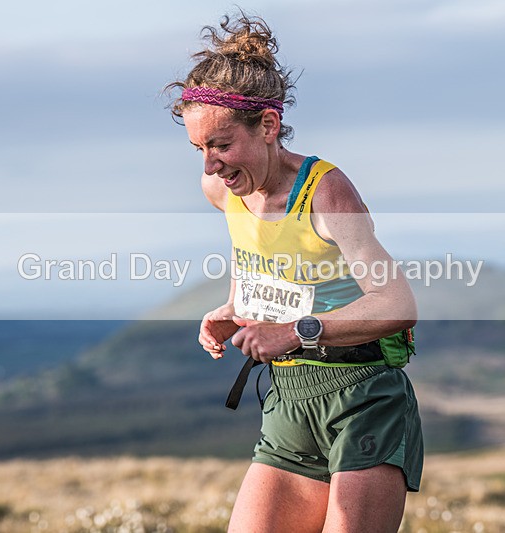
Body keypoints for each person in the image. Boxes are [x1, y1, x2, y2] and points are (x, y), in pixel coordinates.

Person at [166, 11, 423, 533]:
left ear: (267, 126)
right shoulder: (221, 190)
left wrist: (292, 333)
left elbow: (397, 305)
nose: (209, 167)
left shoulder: (325, 192)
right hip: (289, 400)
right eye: (199, 150)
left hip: (363, 396)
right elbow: (257, 256)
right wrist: (238, 307)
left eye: (220, 146)